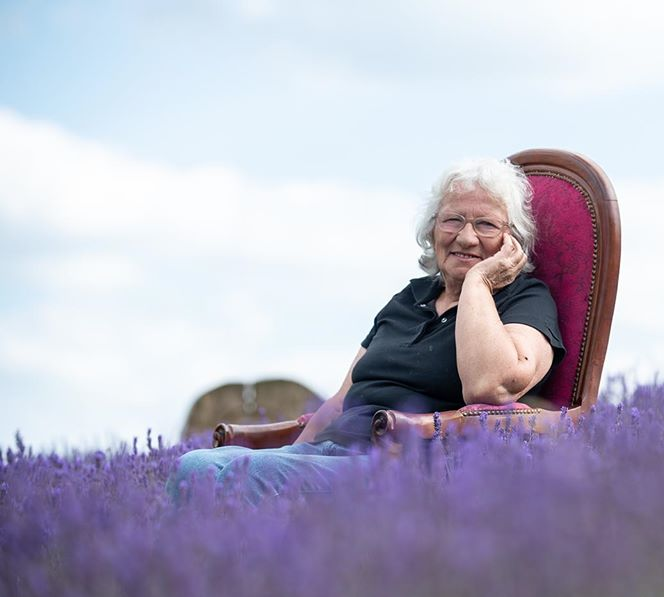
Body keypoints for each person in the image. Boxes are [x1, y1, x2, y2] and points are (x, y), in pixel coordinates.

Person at [166, 158, 565, 504]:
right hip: (333, 453)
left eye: (486, 225)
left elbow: (489, 387)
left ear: (512, 241)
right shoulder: (408, 299)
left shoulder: (525, 300)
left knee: (242, 479)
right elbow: (343, 399)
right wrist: (294, 453)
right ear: (432, 230)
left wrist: (478, 283)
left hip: (403, 469)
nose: (465, 236)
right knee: (194, 466)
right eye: (453, 220)